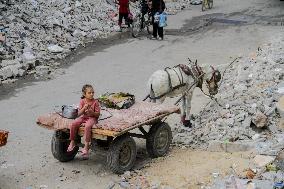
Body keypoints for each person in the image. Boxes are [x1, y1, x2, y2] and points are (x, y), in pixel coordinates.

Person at [67, 84, 101, 158]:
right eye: (89, 93)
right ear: (84, 94)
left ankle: (86, 146)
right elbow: (78, 114)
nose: (92, 94)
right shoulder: (82, 101)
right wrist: (83, 109)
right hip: (84, 117)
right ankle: (72, 142)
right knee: (74, 123)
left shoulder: (96, 102)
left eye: (93, 92)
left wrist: (92, 112)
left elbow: (97, 115)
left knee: (88, 126)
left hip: (92, 118)